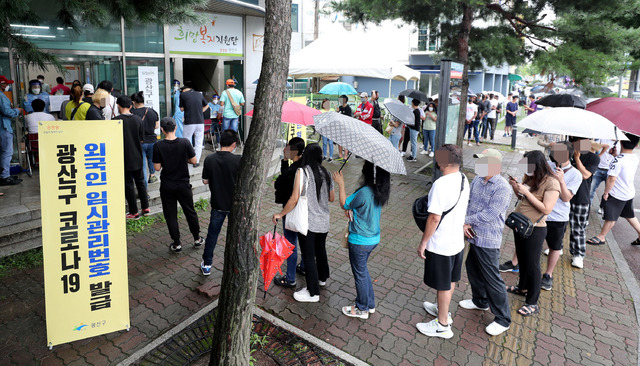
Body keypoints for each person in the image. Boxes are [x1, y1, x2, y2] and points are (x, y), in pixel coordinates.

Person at [416, 144, 470, 339]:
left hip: (442, 243)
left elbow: (434, 218)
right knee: (451, 279)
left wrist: (424, 242)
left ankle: (442, 325)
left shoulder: (441, 184)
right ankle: (443, 310)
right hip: (457, 241)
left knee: (443, 284)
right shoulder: (463, 179)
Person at [272, 143, 335, 303]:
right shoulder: (326, 172)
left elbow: (294, 199)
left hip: (309, 222)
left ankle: (312, 293)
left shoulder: (302, 171)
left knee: (308, 256)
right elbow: (331, 198)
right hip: (324, 221)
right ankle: (322, 279)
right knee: (320, 251)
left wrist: (281, 214)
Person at [461, 149, 512, 336]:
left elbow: (490, 214)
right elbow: (468, 201)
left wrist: (465, 221)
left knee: (492, 278)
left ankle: (503, 318)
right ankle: (479, 301)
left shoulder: (502, 187)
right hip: (471, 233)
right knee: (472, 268)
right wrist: (464, 221)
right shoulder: (477, 179)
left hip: (488, 238)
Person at [505, 150, 560, 317]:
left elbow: (546, 208)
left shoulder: (552, 183)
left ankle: (532, 302)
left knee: (533, 264)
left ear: (537, 165)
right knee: (522, 258)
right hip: (520, 223)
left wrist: (527, 192)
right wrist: (516, 187)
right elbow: (522, 198)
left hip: (535, 228)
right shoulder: (530, 176)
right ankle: (522, 287)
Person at [333, 161, 390, 319]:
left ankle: (362, 308)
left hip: (360, 241)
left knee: (360, 274)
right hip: (373, 238)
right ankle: (369, 304)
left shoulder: (365, 191)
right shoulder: (378, 191)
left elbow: (345, 204)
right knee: (363, 271)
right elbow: (359, 208)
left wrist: (341, 183)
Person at [153, 117, 204, 252]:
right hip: (183, 184)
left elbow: (157, 168)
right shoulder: (185, 142)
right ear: (176, 127)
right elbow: (194, 160)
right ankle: (197, 239)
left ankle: (177, 243)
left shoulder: (158, 146)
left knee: (171, 215)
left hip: (167, 186)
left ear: (162, 130)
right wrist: (183, 159)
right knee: (190, 211)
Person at [539, 142, 582, 291]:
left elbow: (566, 198)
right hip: (540, 212)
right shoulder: (547, 165)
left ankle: (548, 275)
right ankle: (518, 265)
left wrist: (561, 180)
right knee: (531, 242)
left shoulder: (576, 174)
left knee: (554, 247)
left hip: (558, 217)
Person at [200, 129, 242, 275]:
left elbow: (205, 180)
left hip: (217, 204)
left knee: (212, 235)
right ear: (234, 144)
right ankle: (237, 263)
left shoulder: (209, 159)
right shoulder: (238, 160)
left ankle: (207, 264)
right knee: (236, 234)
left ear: (220, 141)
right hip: (234, 205)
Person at [587, 133, 640, 246]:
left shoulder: (619, 160)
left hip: (618, 193)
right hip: (629, 192)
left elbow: (611, 178)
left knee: (611, 215)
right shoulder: (634, 157)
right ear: (636, 146)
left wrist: (606, 193)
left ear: (620, 141)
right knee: (629, 215)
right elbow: (623, 163)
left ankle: (601, 236)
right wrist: (616, 155)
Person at [273, 137, 306, 287]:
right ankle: (304, 267)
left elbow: (280, 183)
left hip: (291, 210)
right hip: (306, 211)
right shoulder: (307, 166)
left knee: (291, 243)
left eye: (289, 148)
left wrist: (285, 161)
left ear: (296, 151)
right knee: (305, 242)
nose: (286, 149)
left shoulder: (295, 170)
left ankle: (290, 278)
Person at [569, 137, 600, 269]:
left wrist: (577, 158)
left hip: (581, 197)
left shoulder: (593, 158)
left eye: (585, 140)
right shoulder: (566, 152)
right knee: (559, 226)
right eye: (578, 140)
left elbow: (586, 175)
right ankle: (557, 248)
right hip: (565, 195)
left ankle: (578, 254)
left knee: (579, 228)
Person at [117, 96, 149, 220]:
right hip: (138, 156)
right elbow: (141, 139)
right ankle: (145, 208)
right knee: (140, 183)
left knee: (128, 185)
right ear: (131, 106)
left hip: (124, 158)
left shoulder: (115, 121)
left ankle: (133, 212)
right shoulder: (138, 120)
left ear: (118, 105)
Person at [131, 91, 160, 188]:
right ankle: (152, 176)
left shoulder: (133, 113)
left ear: (134, 102)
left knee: (142, 166)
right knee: (151, 159)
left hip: (140, 142)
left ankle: (145, 189)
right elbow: (156, 126)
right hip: (152, 140)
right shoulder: (152, 111)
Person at [180, 82, 208, 167]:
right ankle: (196, 161)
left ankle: (187, 159)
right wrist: (200, 111)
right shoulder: (199, 94)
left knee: (187, 141)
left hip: (189, 122)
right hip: (200, 122)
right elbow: (206, 105)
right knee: (199, 142)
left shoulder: (183, 95)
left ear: (183, 90)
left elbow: (181, 109)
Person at [0, 75, 22, 186]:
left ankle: (4, 174)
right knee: (7, 152)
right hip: (3, 127)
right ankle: (5, 176)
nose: (7, 86)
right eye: (6, 83)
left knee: (3, 153)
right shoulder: (1, 96)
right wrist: (17, 111)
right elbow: (6, 111)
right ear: (1, 84)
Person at [589, 139, 617, 210]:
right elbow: (593, 145)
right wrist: (599, 155)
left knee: (608, 193)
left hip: (609, 171)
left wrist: (615, 154)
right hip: (598, 168)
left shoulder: (619, 144)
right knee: (591, 190)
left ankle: (602, 208)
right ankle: (588, 209)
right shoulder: (603, 139)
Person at [336, 95, 351, 161]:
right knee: (339, 142)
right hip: (339, 127)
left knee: (345, 142)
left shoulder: (348, 108)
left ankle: (345, 157)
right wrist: (337, 112)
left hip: (346, 127)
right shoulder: (339, 107)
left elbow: (349, 118)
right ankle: (340, 155)